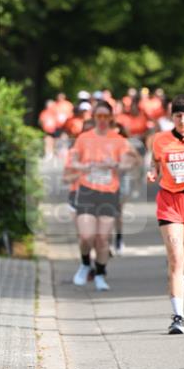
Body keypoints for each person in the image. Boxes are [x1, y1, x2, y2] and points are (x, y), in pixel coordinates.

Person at [65, 101, 138, 291]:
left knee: (102, 239)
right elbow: (72, 163)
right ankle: (84, 263)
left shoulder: (119, 140)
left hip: (109, 193)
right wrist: (83, 167)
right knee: (86, 236)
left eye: (106, 116)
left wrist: (116, 164)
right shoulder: (83, 138)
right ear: (94, 118)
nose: (103, 120)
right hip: (87, 191)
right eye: (99, 116)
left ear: (112, 118)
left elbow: (130, 163)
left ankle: (99, 274)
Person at [148, 95, 184, 335]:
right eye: (178, 115)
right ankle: (177, 316)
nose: (182, 120)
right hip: (169, 201)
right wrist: (152, 172)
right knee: (175, 258)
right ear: (171, 117)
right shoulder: (160, 139)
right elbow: (155, 162)